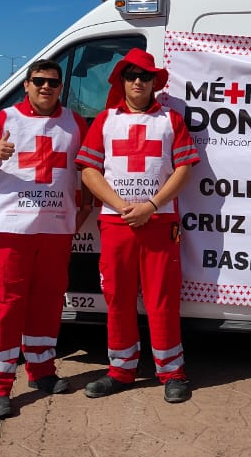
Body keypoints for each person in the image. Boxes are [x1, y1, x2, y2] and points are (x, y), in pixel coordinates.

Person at [0, 59, 89, 420]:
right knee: (7, 307)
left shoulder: (75, 122)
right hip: (13, 231)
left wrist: (83, 209)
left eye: (52, 82)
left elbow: (87, 168)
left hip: (56, 230)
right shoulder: (4, 120)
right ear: (26, 84)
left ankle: (42, 372)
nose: (45, 87)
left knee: (48, 305)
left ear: (60, 86)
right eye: (39, 81)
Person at [77, 48, 199, 403]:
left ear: (154, 83)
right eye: (131, 76)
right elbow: (88, 170)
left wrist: (150, 205)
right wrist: (120, 206)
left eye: (145, 77)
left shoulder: (170, 120)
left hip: (159, 222)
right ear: (121, 81)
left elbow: (184, 169)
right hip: (117, 225)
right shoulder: (104, 121)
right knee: (118, 298)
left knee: (162, 298)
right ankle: (120, 370)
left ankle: (172, 372)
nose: (138, 82)